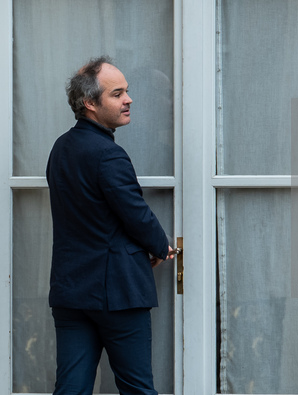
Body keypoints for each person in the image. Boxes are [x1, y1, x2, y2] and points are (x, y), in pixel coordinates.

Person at [46, 56, 174, 395]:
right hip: (118, 293)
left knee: (71, 388)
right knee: (137, 389)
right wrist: (162, 247)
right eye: (117, 94)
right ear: (90, 103)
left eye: (127, 92)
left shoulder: (61, 148)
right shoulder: (108, 155)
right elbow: (135, 213)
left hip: (71, 291)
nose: (128, 99)